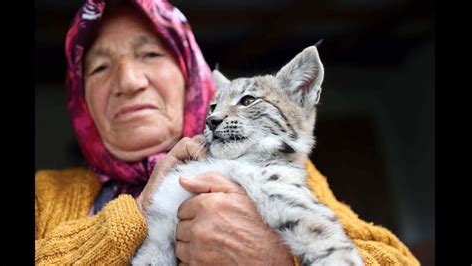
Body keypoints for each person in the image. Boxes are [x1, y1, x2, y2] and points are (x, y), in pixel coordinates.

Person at [35, 0, 420, 265]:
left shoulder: (278, 167)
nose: (129, 81)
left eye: (150, 54)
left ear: (188, 75)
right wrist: (132, 217)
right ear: (80, 97)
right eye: (100, 68)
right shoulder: (43, 194)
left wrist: (276, 257)